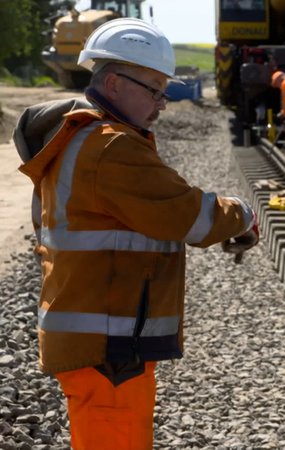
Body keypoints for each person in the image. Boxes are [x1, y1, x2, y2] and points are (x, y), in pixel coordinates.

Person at [12, 18, 259, 449]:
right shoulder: (111, 147)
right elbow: (189, 216)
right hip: (109, 346)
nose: (162, 102)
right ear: (113, 83)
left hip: (101, 336)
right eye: (153, 88)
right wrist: (241, 213)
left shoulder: (78, 139)